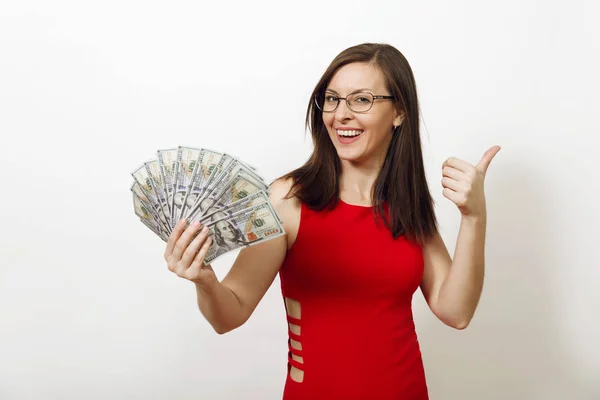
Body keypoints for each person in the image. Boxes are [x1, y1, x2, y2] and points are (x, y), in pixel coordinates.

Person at [163, 43, 500, 400]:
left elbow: (457, 311)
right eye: (332, 99)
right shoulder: (287, 200)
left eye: (361, 100)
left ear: (399, 111)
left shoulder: (406, 204)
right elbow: (228, 315)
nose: (341, 114)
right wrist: (204, 281)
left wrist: (474, 216)